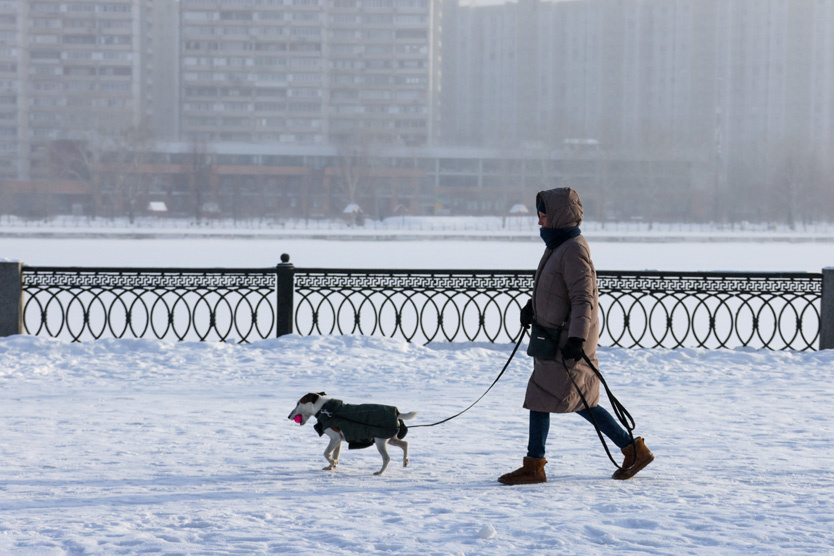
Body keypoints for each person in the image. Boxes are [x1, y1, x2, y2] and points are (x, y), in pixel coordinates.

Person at [498, 187, 654, 485]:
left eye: (543, 215)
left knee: (558, 399)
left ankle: (536, 466)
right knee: (567, 400)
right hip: (552, 339)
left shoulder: (573, 248)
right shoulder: (558, 246)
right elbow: (554, 290)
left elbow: (584, 298)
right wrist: (532, 308)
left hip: (565, 342)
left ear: (557, 216)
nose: (540, 222)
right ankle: (632, 450)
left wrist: (577, 339)